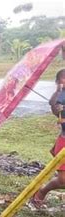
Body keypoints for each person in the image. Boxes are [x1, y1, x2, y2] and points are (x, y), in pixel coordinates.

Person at [31, 68, 65, 207]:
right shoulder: (60, 96)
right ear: (57, 82)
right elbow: (53, 105)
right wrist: (58, 91)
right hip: (64, 141)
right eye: (63, 78)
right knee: (63, 181)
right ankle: (41, 192)